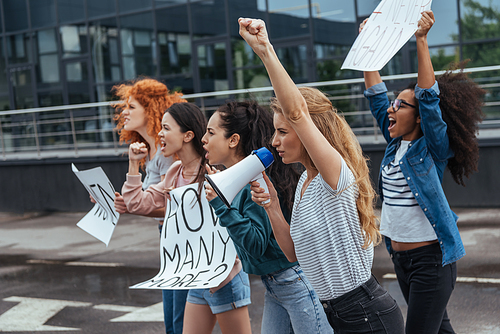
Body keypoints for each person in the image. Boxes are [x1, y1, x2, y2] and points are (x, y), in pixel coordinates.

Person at [240, 17, 405, 334]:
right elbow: (292, 253)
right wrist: (273, 205)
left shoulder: (335, 173)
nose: (274, 141)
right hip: (339, 314)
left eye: (282, 131)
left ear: (309, 133)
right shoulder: (305, 182)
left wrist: (265, 51)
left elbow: (298, 111)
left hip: (367, 315)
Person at [362, 11, 484, 334]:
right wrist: (367, 46)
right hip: (401, 261)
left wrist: (421, 40)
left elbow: (428, 99)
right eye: (393, 104)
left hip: (431, 262)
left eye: (400, 105)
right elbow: (375, 95)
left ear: (418, 118)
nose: (391, 108)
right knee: (440, 330)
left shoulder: (431, 150)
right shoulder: (393, 145)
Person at [119, 102, 252, 334]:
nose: (160, 133)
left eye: (166, 128)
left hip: (223, 277)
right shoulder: (174, 172)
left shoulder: (215, 171)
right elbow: (136, 203)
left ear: (188, 135)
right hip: (194, 278)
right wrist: (133, 164)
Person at [203, 101, 333, 334]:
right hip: (275, 285)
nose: (204, 139)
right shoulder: (238, 181)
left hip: (292, 282)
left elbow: (255, 244)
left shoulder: (252, 183)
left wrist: (221, 207)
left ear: (233, 140)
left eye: (211, 133)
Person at [111, 78, 188, 334]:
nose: (124, 112)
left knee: (180, 324)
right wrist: (127, 203)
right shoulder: (151, 150)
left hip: (183, 239)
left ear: (151, 109)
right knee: (174, 323)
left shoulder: (169, 152)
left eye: (132, 107)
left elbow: (178, 207)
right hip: (167, 237)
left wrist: (134, 206)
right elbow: (151, 202)